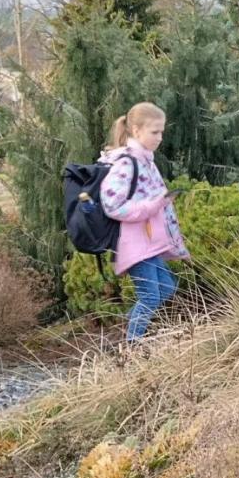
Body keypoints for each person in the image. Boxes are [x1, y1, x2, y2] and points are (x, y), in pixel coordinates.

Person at [98, 102, 190, 342]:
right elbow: (112, 204)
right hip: (135, 244)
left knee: (167, 288)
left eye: (162, 132)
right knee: (150, 296)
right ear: (136, 131)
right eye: (154, 132)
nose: (160, 138)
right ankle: (130, 348)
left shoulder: (146, 161)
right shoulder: (127, 163)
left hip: (150, 243)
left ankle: (125, 328)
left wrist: (178, 245)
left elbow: (160, 205)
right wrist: (151, 207)